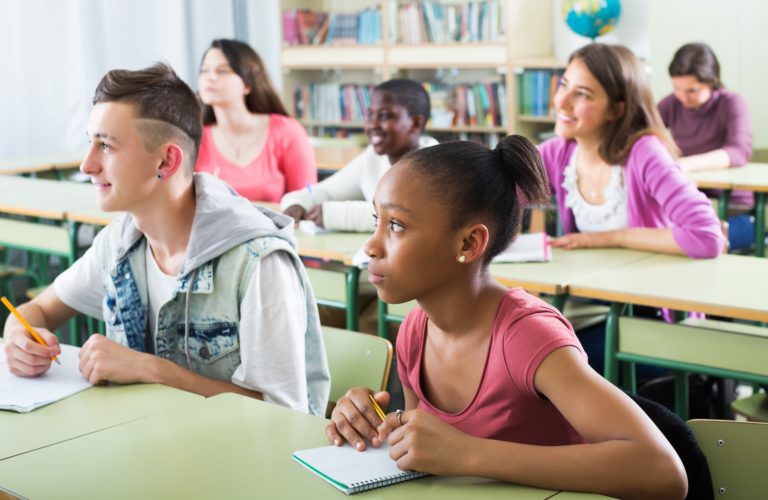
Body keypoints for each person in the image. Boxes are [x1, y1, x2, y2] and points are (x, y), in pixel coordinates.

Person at [326, 137, 688, 499]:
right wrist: (370, 423)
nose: (370, 246)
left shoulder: (528, 337)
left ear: (468, 244)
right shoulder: (414, 332)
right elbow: (422, 462)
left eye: (397, 225)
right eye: (378, 220)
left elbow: (663, 472)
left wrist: (468, 453)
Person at [2, 63, 330, 416]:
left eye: (107, 146)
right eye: (89, 143)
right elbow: (36, 311)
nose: (86, 165)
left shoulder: (258, 263)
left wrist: (151, 370)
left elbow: (284, 414)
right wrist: (19, 337)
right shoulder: (119, 243)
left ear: (167, 160)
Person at [540, 43, 724, 258]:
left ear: (617, 109)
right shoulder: (557, 152)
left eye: (582, 94)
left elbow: (707, 237)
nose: (560, 102)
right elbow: (497, 194)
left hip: (648, 287)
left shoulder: (644, 153)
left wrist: (608, 238)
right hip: (589, 287)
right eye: (563, 85)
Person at [280, 78, 437, 231]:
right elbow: (325, 191)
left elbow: (400, 216)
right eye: (370, 115)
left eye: (384, 116)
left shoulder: (434, 164)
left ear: (415, 123)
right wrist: (297, 203)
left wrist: (331, 215)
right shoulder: (373, 158)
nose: (372, 125)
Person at [658, 42, 754, 249]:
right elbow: (643, 132)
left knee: (705, 240)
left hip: (735, 208)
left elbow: (739, 152)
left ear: (712, 82)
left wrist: (684, 164)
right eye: (677, 89)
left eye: (692, 90)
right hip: (689, 206)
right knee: (667, 238)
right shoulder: (671, 104)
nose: (683, 97)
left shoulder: (731, 103)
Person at [195, 39, 316, 202]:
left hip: (275, 227)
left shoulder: (287, 132)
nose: (210, 78)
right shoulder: (195, 138)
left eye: (222, 71)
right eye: (204, 70)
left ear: (247, 84)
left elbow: (307, 203)